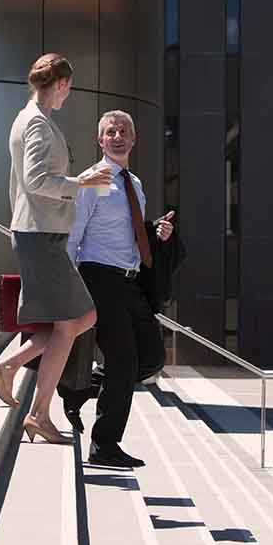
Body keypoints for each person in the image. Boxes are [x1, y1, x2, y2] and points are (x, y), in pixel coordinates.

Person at [0, 53, 112, 445]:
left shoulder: (33, 120)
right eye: (68, 87)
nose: (67, 94)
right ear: (58, 84)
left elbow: (22, 184)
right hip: (39, 235)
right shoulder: (36, 124)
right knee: (81, 317)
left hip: (39, 233)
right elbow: (37, 180)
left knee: (65, 323)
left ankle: (9, 369)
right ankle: (37, 411)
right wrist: (82, 183)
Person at [64, 110, 175, 468]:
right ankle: (104, 445)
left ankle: (83, 388)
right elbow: (74, 234)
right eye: (110, 131)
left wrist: (157, 233)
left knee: (152, 357)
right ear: (100, 140)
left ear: (133, 139)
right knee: (123, 360)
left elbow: (128, 231)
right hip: (98, 277)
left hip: (129, 280)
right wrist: (69, 284)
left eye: (124, 131)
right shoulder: (93, 180)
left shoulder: (135, 184)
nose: (117, 136)